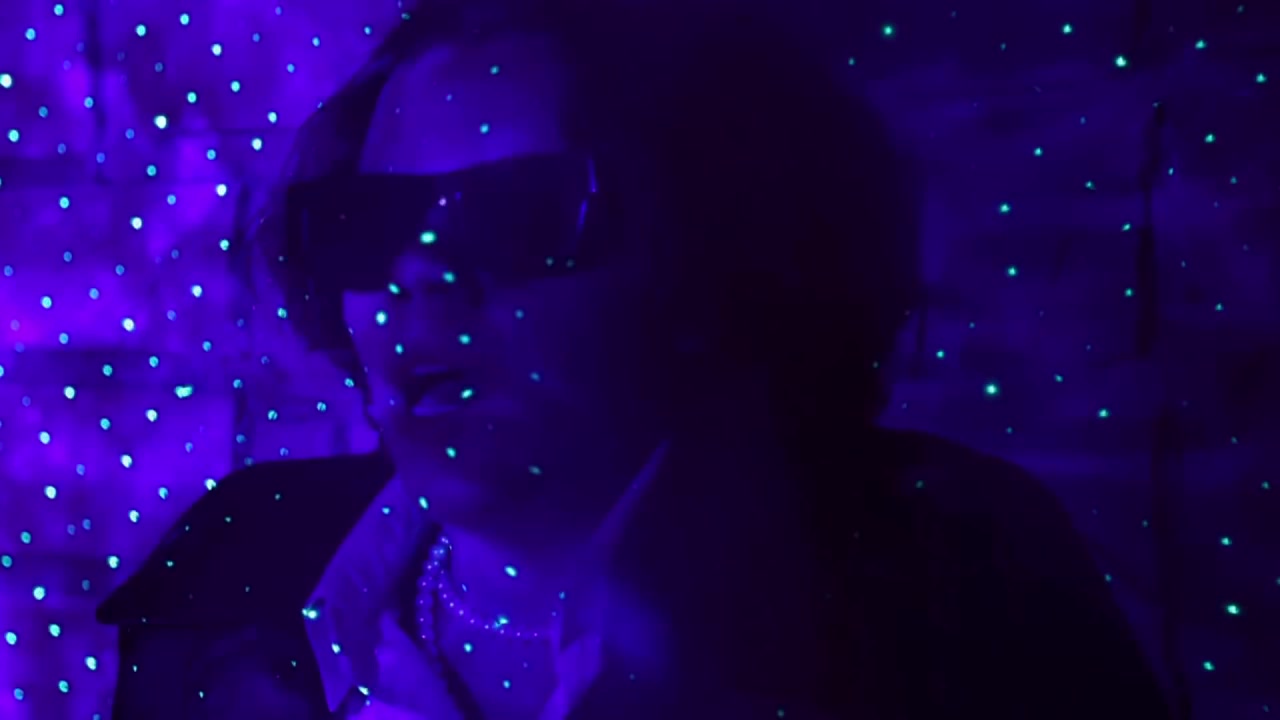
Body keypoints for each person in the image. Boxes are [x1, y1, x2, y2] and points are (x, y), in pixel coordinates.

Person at [97, 0, 1175, 718]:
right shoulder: (239, 556)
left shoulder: (947, 559)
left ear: (718, 247)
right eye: (369, 226)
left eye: (513, 216)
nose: (419, 278)